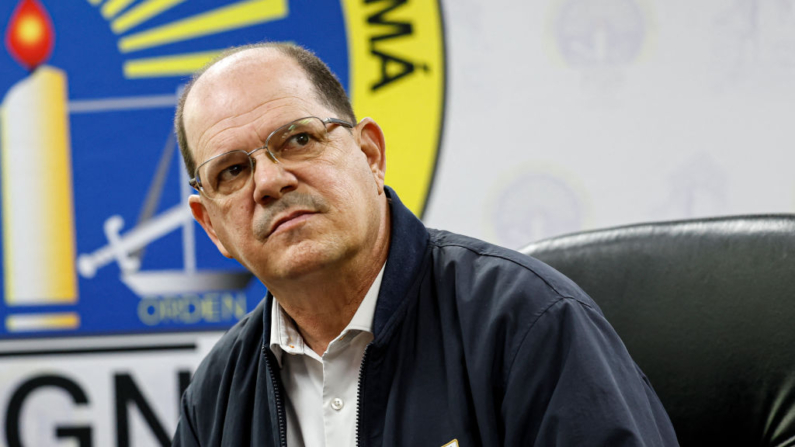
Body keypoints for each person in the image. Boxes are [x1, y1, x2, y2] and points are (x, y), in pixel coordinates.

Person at [172, 42, 679, 447]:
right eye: (233, 171)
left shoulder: (528, 323)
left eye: (298, 139)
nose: (269, 182)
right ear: (212, 226)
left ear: (370, 154)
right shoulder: (215, 400)